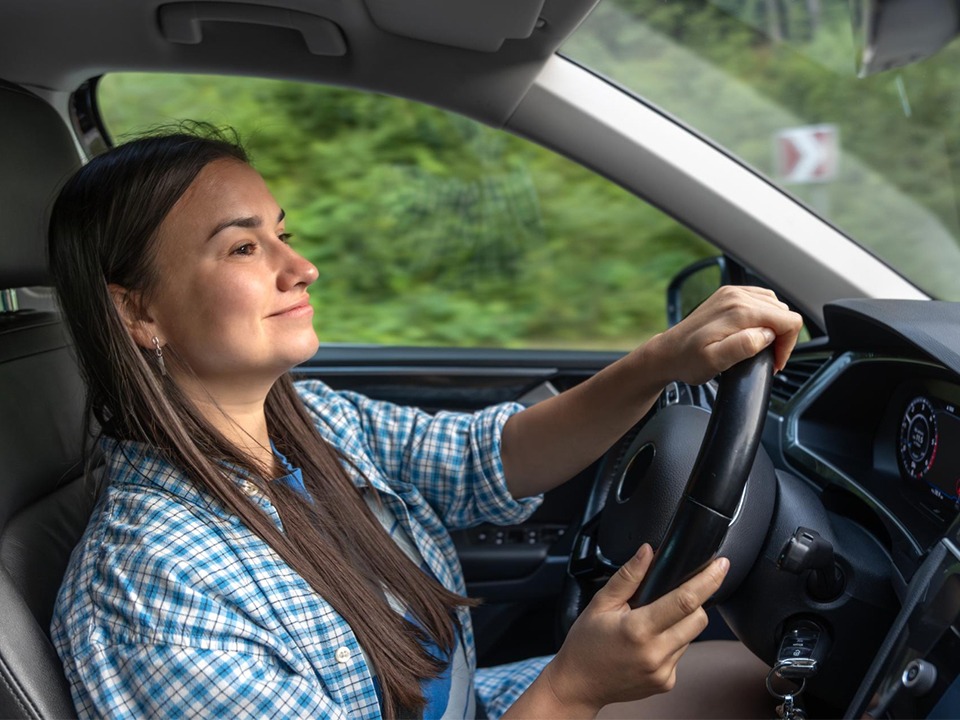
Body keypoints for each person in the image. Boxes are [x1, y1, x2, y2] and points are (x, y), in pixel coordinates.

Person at [48, 126, 802, 719]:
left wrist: (661, 360)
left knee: (771, 681)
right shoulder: (153, 592)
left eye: (283, 232)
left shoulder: (309, 423)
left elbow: (490, 458)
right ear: (140, 312)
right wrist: (576, 687)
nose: (300, 266)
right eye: (244, 247)